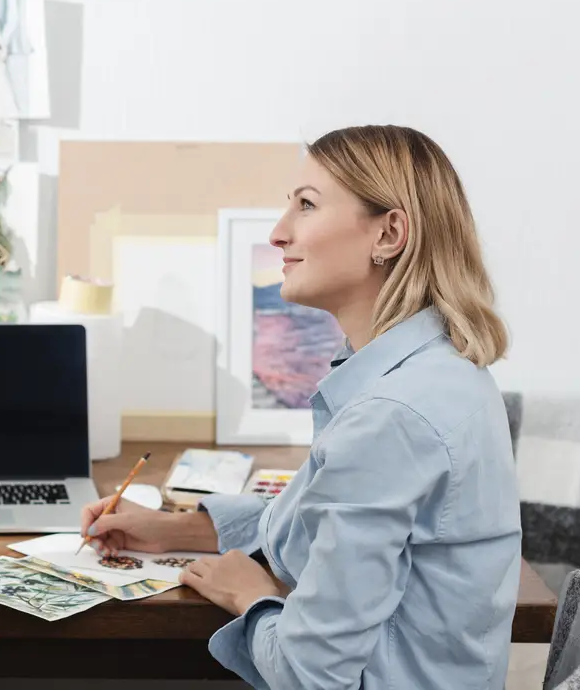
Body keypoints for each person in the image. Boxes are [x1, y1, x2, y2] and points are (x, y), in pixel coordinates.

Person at [81, 125, 520, 689]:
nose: (279, 232)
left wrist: (254, 598)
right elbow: (311, 520)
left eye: (306, 205)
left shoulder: (391, 414)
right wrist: (175, 530)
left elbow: (309, 675)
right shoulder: (435, 370)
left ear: (389, 234)